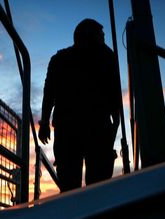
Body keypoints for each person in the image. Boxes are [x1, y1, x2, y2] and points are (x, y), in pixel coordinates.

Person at [38, 18, 121, 192]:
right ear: (91, 35)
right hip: (95, 129)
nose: (104, 37)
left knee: (70, 188)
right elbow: (115, 94)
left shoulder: (59, 59)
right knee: (99, 188)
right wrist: (115, 125)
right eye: (101, 34)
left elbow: (49, 94)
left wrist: (45, 122)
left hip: (70, 131)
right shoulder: (107, 56)